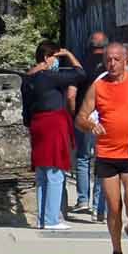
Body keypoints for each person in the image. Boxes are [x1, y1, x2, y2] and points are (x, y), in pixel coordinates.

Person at [75, 41, 128, 254]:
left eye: (116, 59)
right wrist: (90, 125)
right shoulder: (98, 87)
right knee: (114, 207)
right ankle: (117, 251)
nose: (111, 63)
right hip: (107, 154)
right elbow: (80, 117)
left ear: (126, 60)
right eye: (108, 59)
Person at [22, 41, 87, 230]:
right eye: (55, 57)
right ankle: (51, 219)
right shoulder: (49, 77)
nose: (56, 61)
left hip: (37, 124)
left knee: (42, 173)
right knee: (55, 171)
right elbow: (80, 74)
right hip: (53, 123)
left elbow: (26, 109)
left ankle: (43, 218)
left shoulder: (28, 79)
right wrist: (69, 54)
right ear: (46, 58)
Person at [69, 28, 112, 221]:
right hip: (105, 119)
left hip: (84, 119)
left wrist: (74, 115)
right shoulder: (111, 66)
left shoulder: (80, 65)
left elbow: (71, 95)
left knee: (83, 158)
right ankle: (98, 206)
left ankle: (83, 199)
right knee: (102, 161)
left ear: (89, 45)